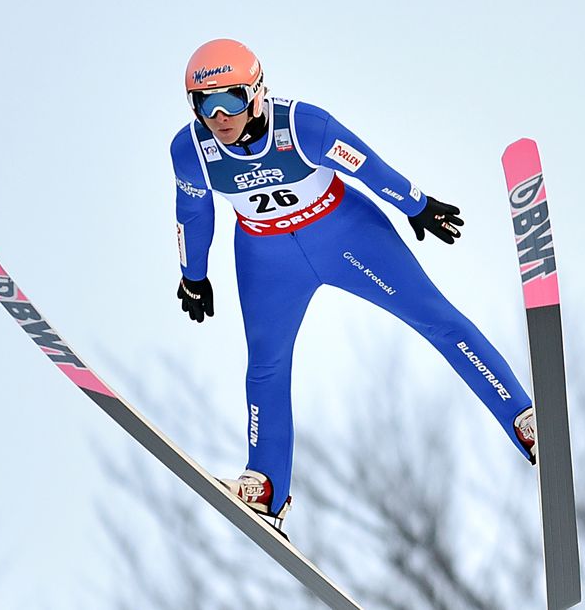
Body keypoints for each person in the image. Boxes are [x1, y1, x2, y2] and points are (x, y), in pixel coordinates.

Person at [171, 38, 536, 530]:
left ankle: (524, 418)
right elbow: (193, 212)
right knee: (266, 366)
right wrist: (193, 275)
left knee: (436, 318)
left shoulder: (303, 126)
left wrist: (417, 204)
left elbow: (364, 164)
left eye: (230, 99)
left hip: (345, 235)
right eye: (204, 104)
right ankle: (266, 484)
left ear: (257, 92)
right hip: (266, 257)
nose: (219, 116)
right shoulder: (191, 149)